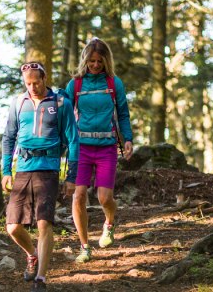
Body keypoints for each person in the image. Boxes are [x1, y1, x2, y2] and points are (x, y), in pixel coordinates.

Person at [2, 61, 79, 292]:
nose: (32, 87)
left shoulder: (60, 102)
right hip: (24, 168)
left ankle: (41, 279)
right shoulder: (18, 103)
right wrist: (6, 170)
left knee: (44, 223)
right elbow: (8, 137)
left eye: (36, 82)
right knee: (13, 226)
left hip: (49, 168)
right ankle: (32, 255)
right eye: (28, 83)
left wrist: (71, 175)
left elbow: (73, 140)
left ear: (44, 78)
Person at [65, 38, 133, 263]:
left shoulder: (114, 83)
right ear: (85, 60)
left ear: (106, 61)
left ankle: (109, 223)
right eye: (92, 61)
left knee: (105, 198)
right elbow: (64, 116)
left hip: (106, 148)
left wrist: (128, 139)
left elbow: (122, 113)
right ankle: (84, 246)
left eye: (99, 62)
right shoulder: (75, 85)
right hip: (81, 148)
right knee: (79, 195)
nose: (95, 65)